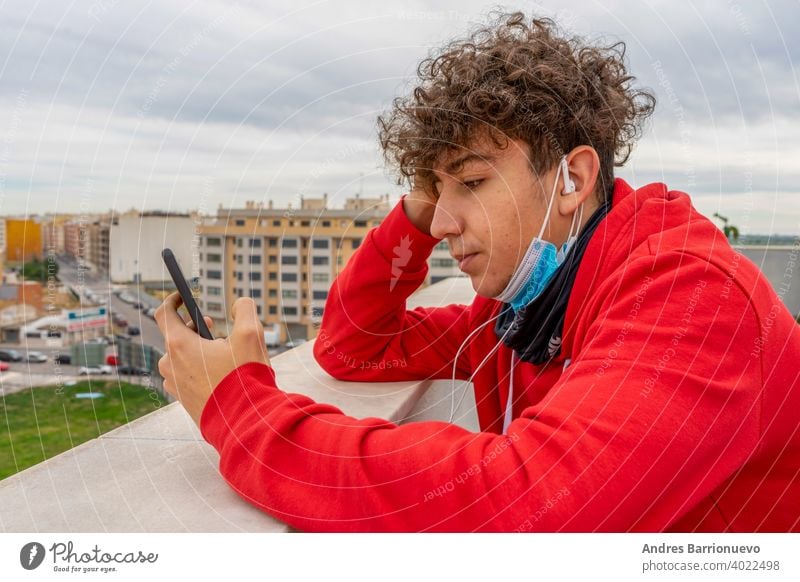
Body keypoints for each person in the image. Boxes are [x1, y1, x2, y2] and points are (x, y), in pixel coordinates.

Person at [155, 12, 800, 532]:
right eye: (437, 194)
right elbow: (356, 347)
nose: (441, 226)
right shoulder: (523, 307)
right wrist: (412, 212)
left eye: (470, 182)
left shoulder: (691, 297)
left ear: (572, 179)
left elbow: (526, 509)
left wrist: (241, 412)